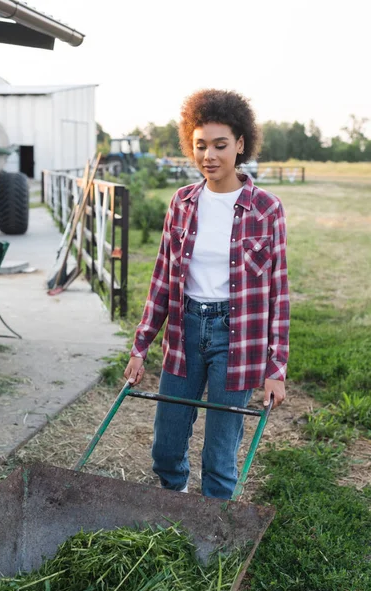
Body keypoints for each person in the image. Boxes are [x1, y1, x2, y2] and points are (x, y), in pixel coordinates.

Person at [124, 89, 290, 499]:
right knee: (165, 448)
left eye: (220, 145)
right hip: (185, 331)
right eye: (201, 146)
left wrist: (276, 367)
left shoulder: (266, 209)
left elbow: (279, 295)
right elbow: (162, 277)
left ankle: (212, 540)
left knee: (219, 457)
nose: (209, 156)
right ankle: (175, 503)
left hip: (238, 339)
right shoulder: (182, 203)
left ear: (240, 144)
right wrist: (141, 345)